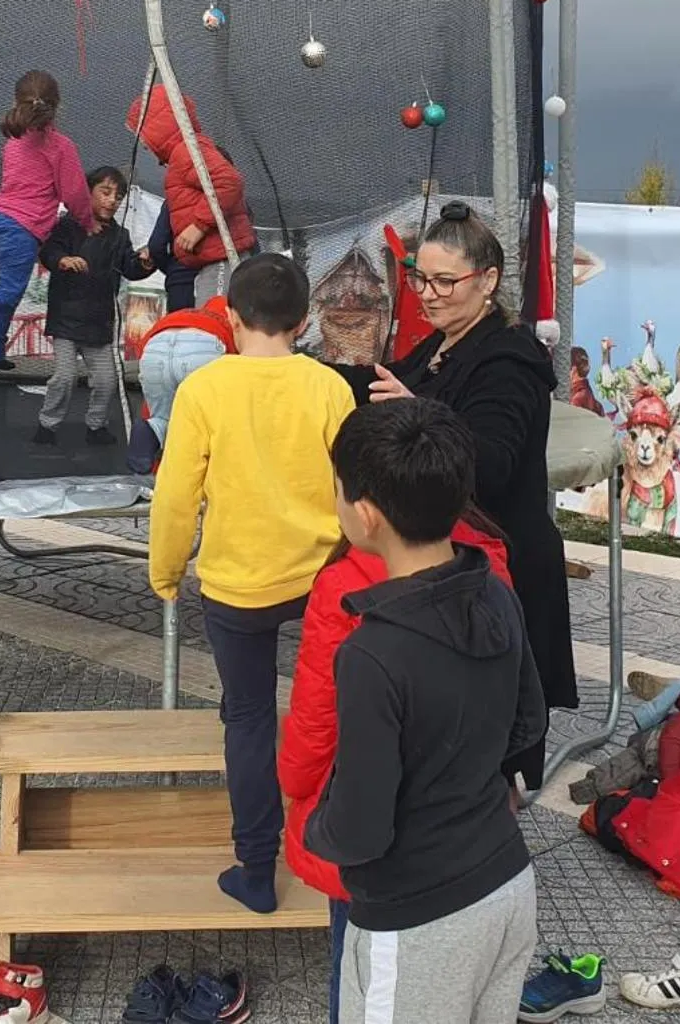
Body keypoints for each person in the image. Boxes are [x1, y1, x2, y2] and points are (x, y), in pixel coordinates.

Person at [306, 399, 545, 1024]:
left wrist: (314, 828)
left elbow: (360, 830)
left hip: (417, 920)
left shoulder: (371, 653)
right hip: (506, 882)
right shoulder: (495, 592)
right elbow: (529, 724)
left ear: (365, 513)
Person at [148, 253, 356, 915]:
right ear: (304, 320)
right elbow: (352, 485)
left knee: (247, 718)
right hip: (320, 578)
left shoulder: (204, 390)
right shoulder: (330, 388)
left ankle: (257, 869)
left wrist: (166, 571)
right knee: (336, 711)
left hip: (236, 584)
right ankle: (340, 851)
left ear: (231, 318)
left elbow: (175, 496)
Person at [280, 488, 515, 1024]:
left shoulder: (347, 590)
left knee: (365, 983)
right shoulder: (489, 569)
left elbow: (316, 724)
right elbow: (523, 718)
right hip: (478, 844)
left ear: (366, 512)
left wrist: (304, 803)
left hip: (383, 860)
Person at [363, 201, 575, 768]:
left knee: (494, 760)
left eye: (444, 282)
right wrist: (290, 370)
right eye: (420, 279)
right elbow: (382, 384)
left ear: (488, 281)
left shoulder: (511, 359)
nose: (427, 295)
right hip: (458, 566)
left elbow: (491, 465)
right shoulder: (442, 344)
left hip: (503, 569)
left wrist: (417, 413)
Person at [0, 70, 96, 371]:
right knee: (9, 291)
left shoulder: (13, 141)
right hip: (21, 227)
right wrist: (88, 223)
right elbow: (74, 194)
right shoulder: (60, 146)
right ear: (57, 106)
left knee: (8, 290)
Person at [34, 166, 153, 446]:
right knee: (64, 377)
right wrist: (62, 260)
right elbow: (49, 250)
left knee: (106, 381)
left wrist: (145, 263)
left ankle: (96, 426)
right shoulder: (69, 225)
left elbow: (129, 267)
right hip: (66, 320)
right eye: (105, 192)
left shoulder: (120, 236)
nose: (112, 201)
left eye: (118, 196)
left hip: (98, 323)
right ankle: (47, 424)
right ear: (88, 193)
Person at [126, 82, 257, 309]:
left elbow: (229, 181)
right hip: (209, 259)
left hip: (221, 257)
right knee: (208, 318)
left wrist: (199, 226)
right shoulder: (183, 153)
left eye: (145, 135)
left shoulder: (187, 151)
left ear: (159, 130)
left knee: (215, 317)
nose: (145, 146)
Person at [127, 293, 237, 474]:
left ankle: (151, 429)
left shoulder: (189, 313)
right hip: (204, 346)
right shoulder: (239, 320)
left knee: (162, 417)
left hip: (156, 345)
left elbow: (144, 346)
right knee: (211, 422)